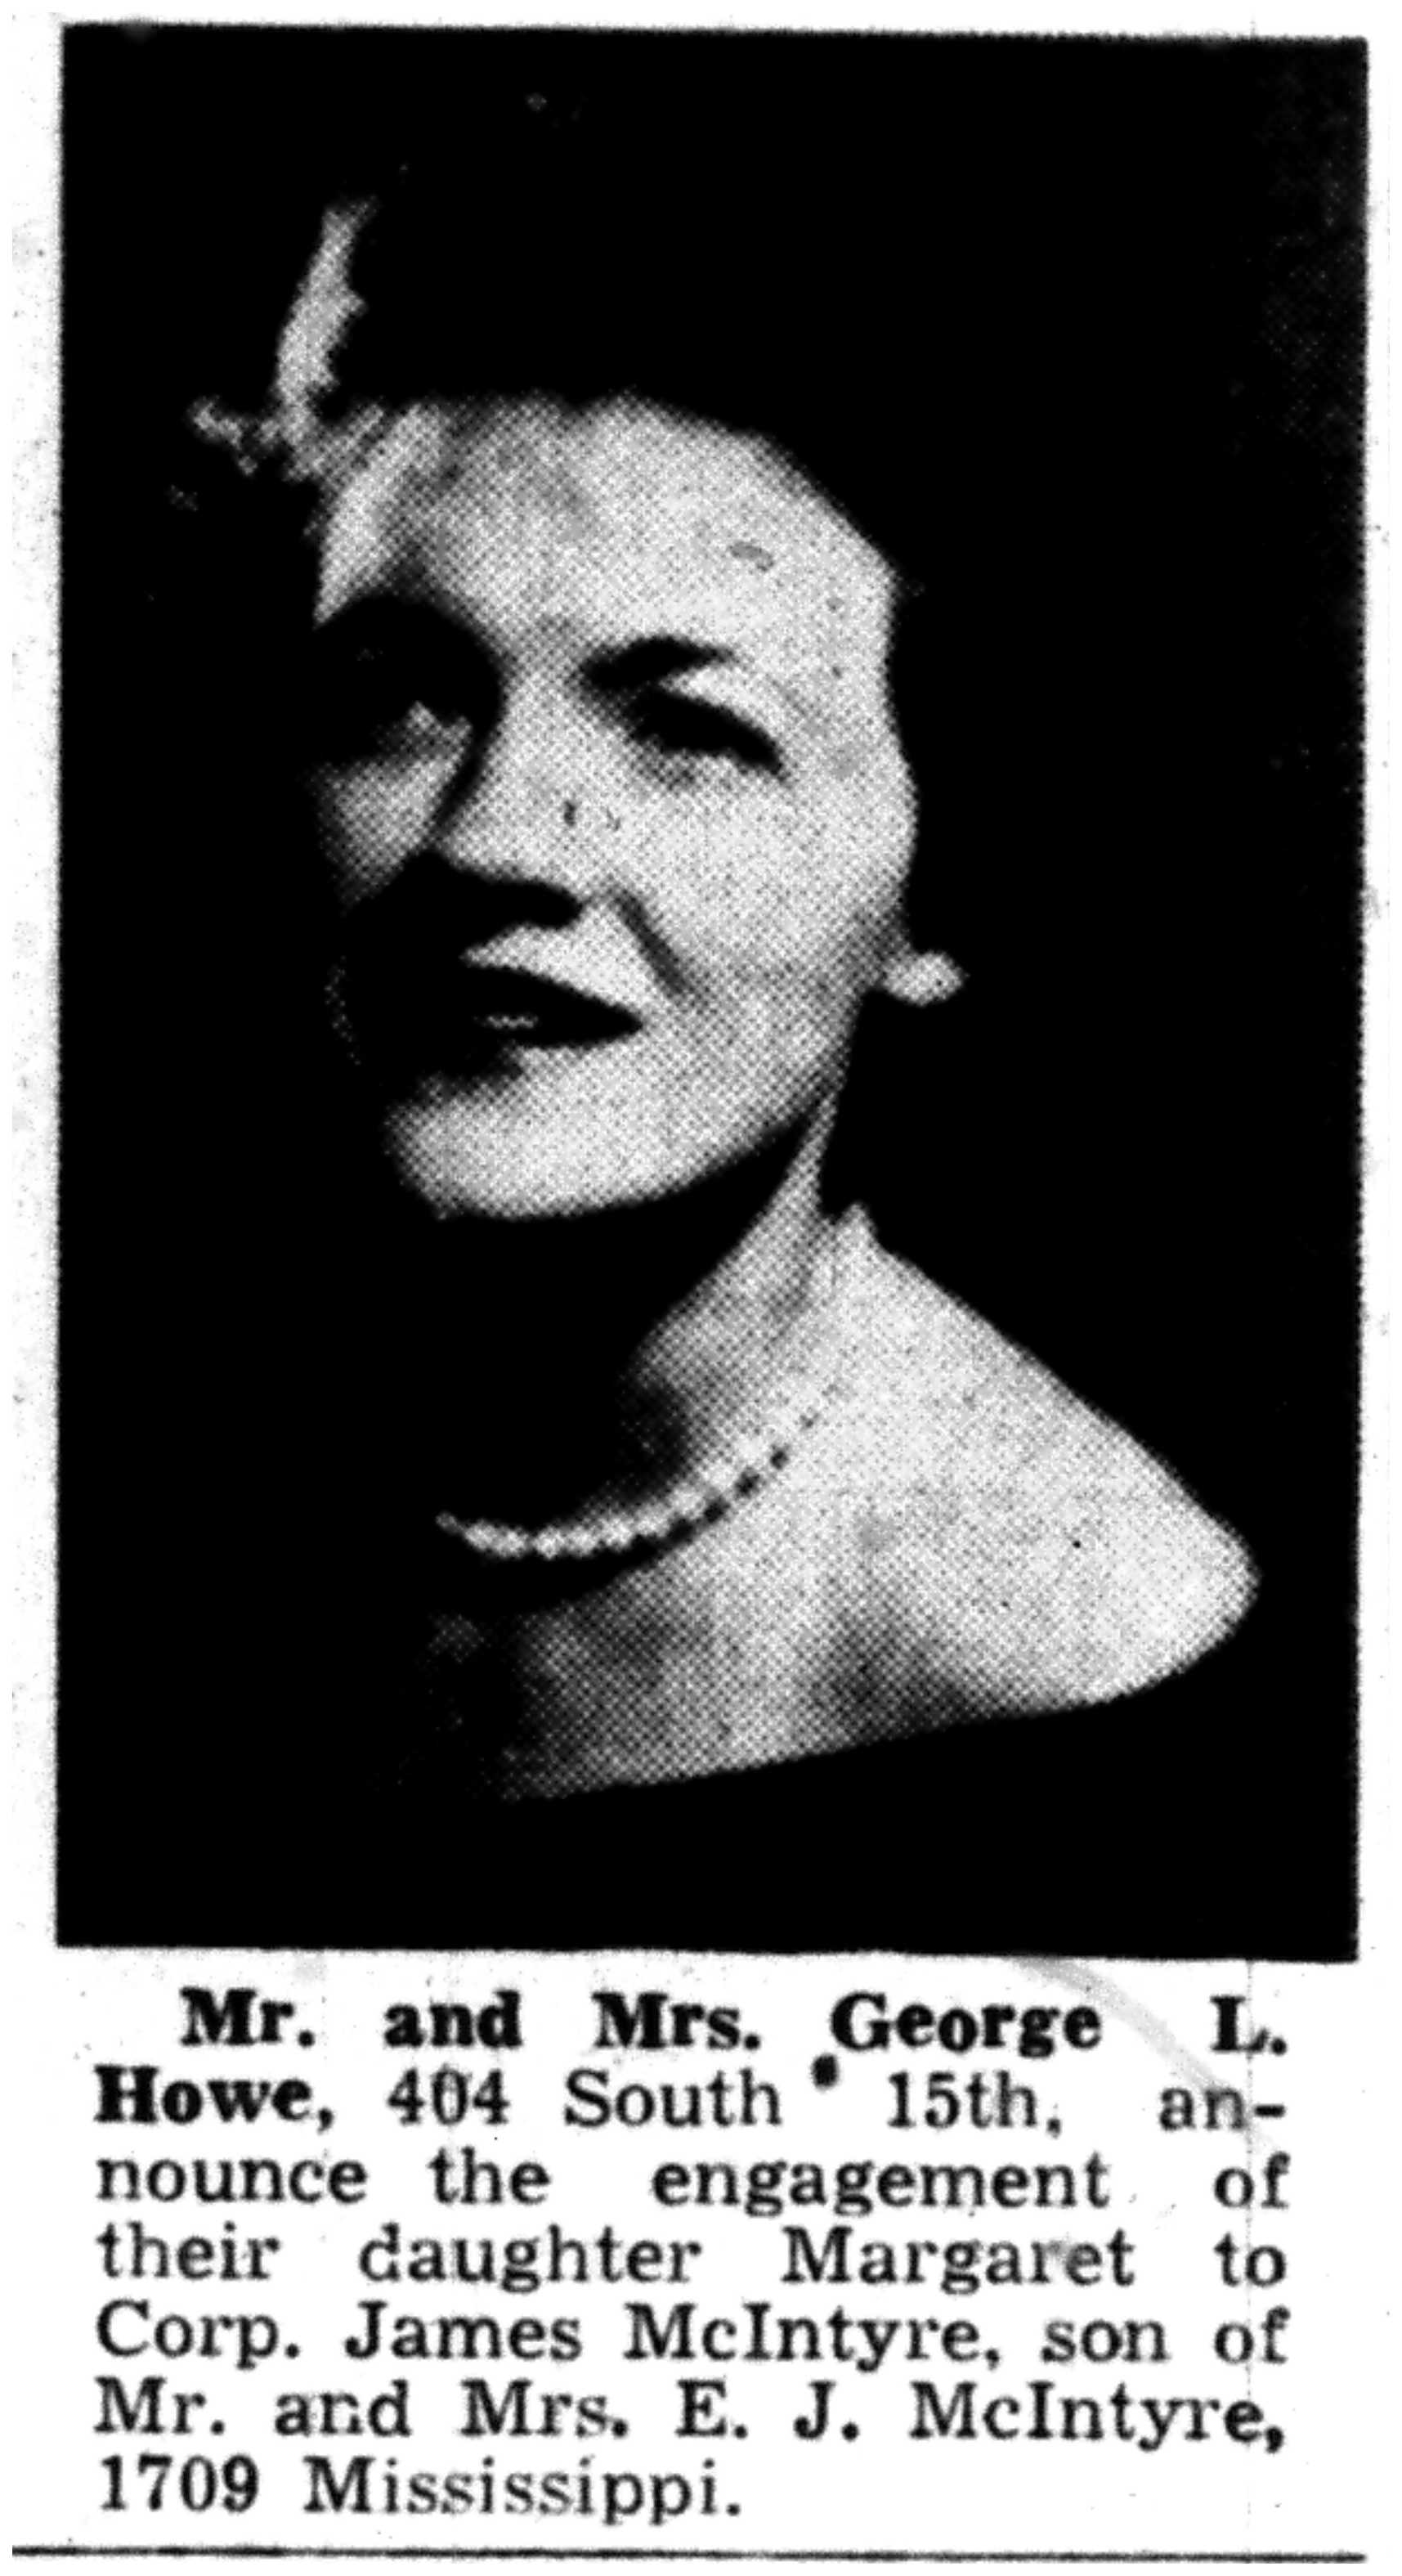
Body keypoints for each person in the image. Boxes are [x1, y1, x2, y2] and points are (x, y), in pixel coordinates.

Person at [69, 110, 1313, 1954]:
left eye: (690, 731)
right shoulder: (105, 1494)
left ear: (941, 891)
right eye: (402, 696)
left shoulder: (1106, 1691)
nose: (493, 840)